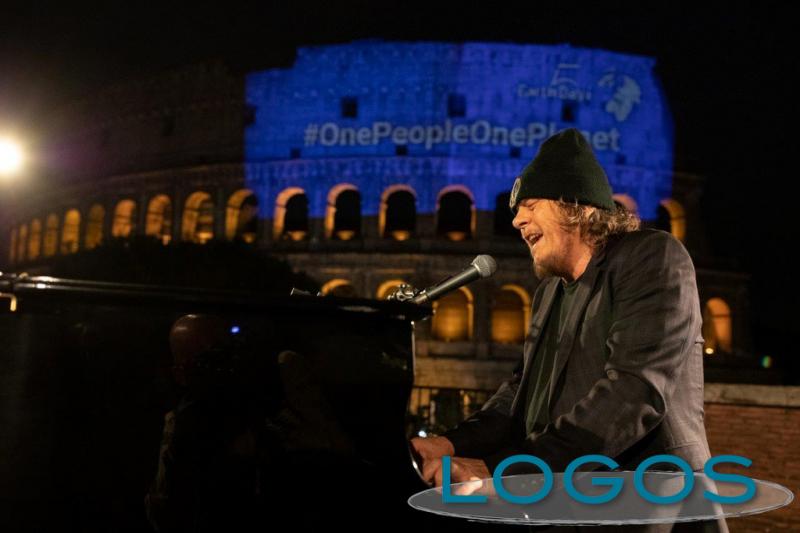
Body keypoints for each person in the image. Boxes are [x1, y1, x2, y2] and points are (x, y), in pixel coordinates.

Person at [411, 128, 725, 531]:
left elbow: (633, 392)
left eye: (530, 205)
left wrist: (502, 471)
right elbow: (518, 397)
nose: (517, 220)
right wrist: (447, 443)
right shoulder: (549, 293)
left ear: (575, 205)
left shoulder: (651, 257)